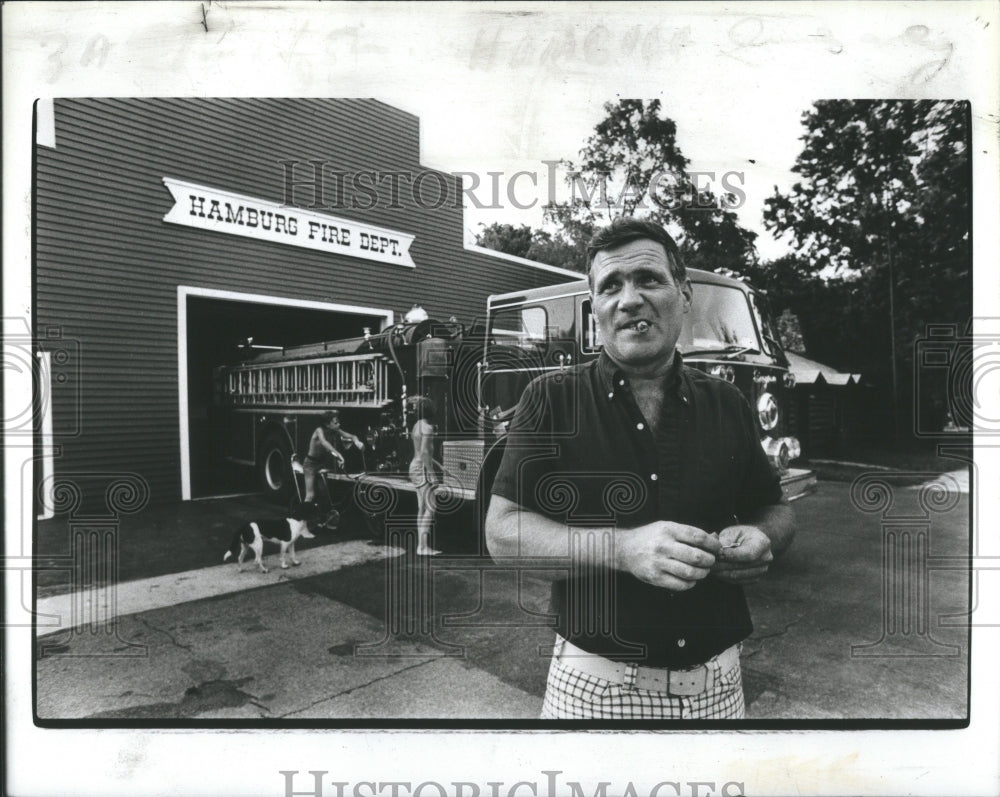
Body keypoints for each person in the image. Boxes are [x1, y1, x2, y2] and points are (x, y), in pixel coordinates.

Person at [486, 217, 795, 720]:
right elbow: (502, 535)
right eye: (610, 286)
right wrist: (623, 548)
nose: (629, 299)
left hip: (717, 688)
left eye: (649, 279)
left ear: (684, 292)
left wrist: (762, 537)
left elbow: (775, 508)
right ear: (597, 311)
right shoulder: (549, 398)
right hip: (593, 689)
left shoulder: (728, 402)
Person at [302, 410, 365, 505]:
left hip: (320, 464)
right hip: (310, 464)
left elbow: (352, 436)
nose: (339, 424)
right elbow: (325, 443)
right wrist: (339, 455)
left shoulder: (335, 430)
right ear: (327, 424)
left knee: (323, 493)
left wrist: (357, 442)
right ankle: (302, 518)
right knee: (310, 495)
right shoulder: (319, 430)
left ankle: (320, 515)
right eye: (336, 423)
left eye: (338, 422)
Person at [408, 396, 442, 556]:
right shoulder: (428, 428)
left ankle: (421, 546)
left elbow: (421, 451)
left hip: (414, 467)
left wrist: (439, 465)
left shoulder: (416, 426)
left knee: (421, 507)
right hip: (422, 469)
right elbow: (425, 452)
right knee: (431, 506)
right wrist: (432, 473)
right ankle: (423, 547)